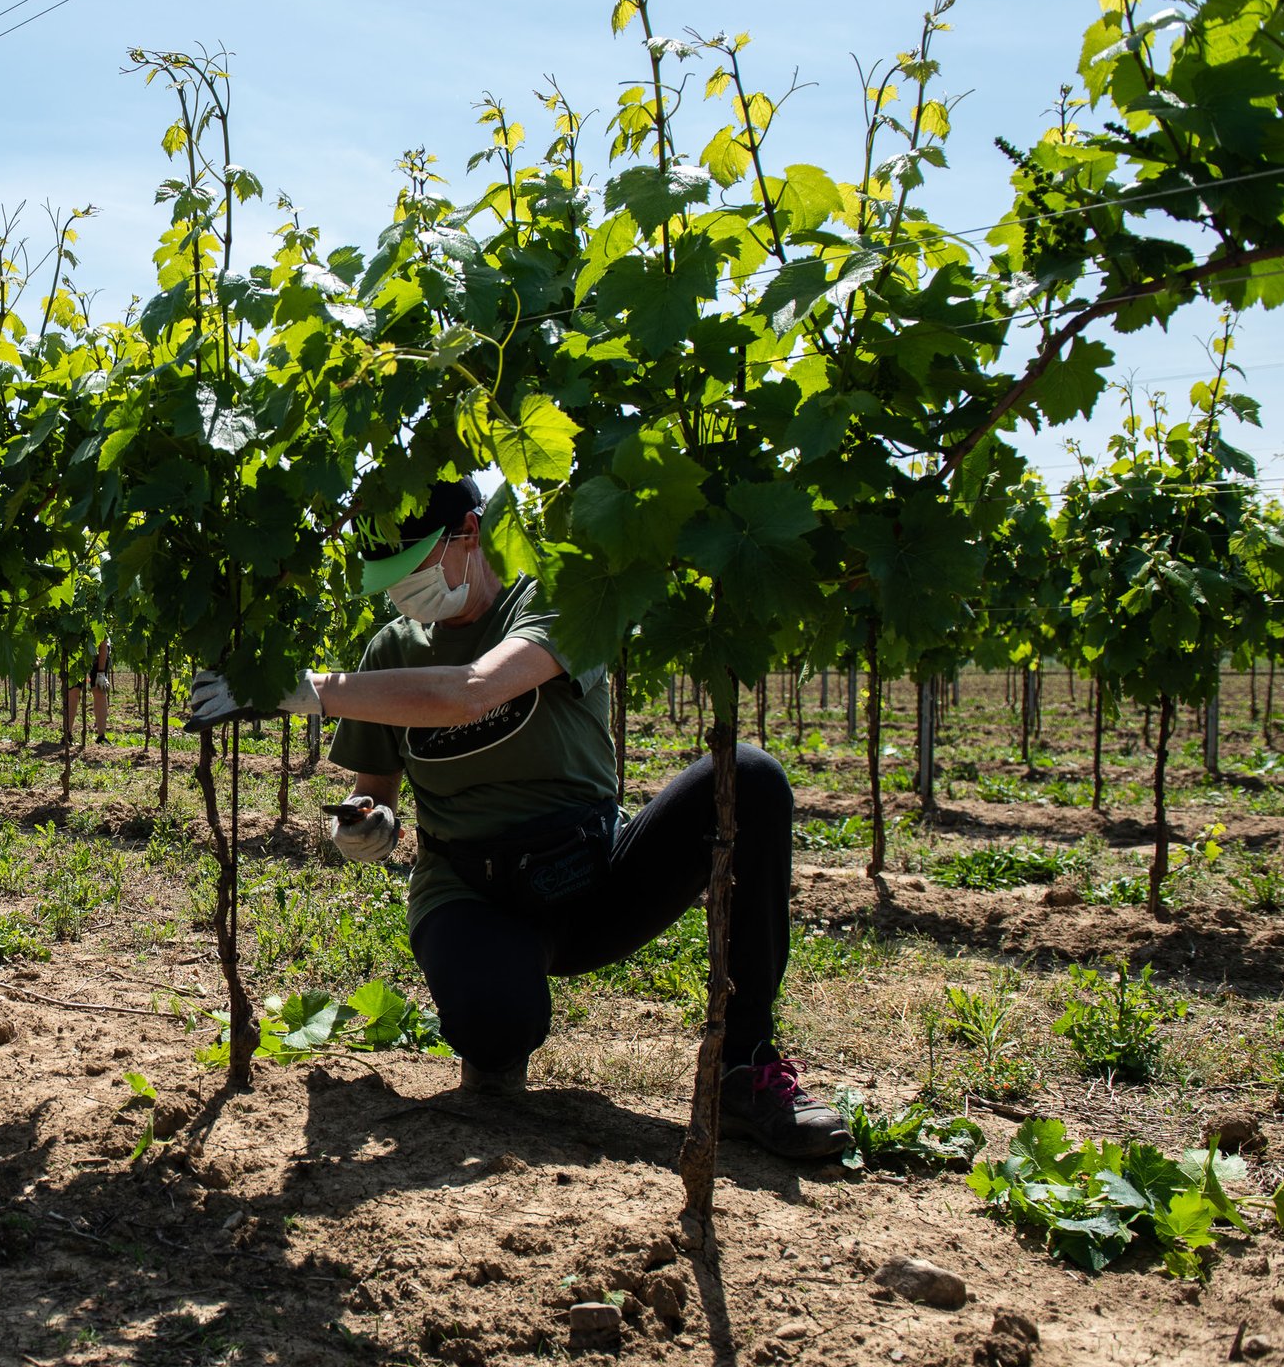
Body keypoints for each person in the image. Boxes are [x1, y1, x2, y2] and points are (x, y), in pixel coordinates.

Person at [184, 476, 851, 1161]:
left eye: (411, 569)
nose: (399, 592)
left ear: (469, 535)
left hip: (595, 875)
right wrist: (367, 827)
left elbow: (474, 690)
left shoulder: (556, 599)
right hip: (470, 891)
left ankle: (746, 1067)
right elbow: (375, 787)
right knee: (497, 1027)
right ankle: (497, 1024)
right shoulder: (391, 650)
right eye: (387, 578)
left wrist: (305, 689)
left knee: (750, 778)